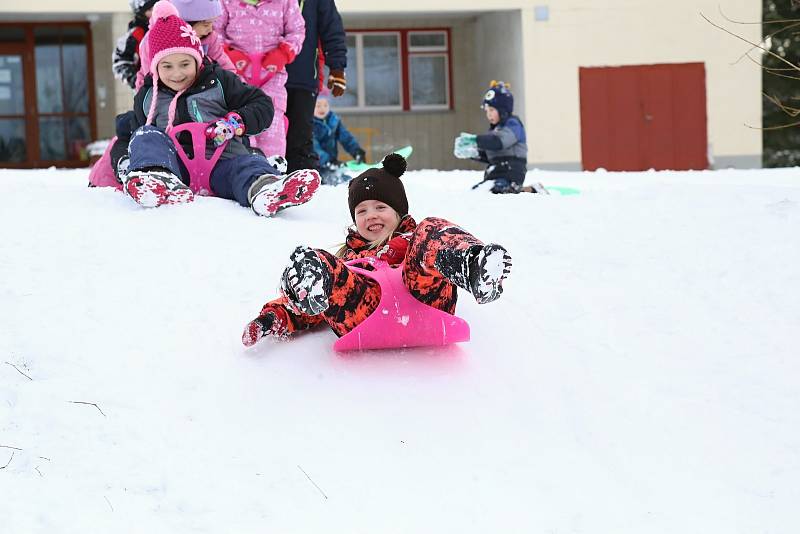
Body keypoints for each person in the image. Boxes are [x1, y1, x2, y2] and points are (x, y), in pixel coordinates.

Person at [241, 153, 512, 347]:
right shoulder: (348, 258)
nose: (371, 215)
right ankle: (303, 281)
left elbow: (427, 242)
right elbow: (314, 305)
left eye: (380, 207)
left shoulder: (415, 241)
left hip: (426, 302)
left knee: (431, 228)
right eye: (362, 210)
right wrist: (269, 319)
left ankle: (472, 265)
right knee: (322, 264)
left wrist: (407, 247)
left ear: (398, 212)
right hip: (363, 315)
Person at [110, 0, 320, 214]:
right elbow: (128, 135)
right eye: (167, 66)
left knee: (248, 165)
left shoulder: (217, 81)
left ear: (198, 59)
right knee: (145, 134)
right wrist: (125, 162)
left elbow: (262, 103)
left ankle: (265, 189)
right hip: (174, 168)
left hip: (223, 162)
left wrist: (236, 121)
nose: (177, 74)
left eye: (185, 64)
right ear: (155, 67)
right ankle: (155, 179)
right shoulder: (148, 96)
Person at [213, 0, 306, 157]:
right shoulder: (225, 2)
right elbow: (215, 31)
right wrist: (228, 53)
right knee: (240, 121)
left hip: (272, 75)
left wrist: (283, 53)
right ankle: (246, 169)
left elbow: (297, 30)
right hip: (236, 74)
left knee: (273, 125)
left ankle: (273, 172)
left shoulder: (285, 2)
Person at [284, 0, 348, 173]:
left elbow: (331, 27)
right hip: (262, 76)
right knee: (265, 135)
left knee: (300, 136)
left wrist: (337, 67)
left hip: (303, 77)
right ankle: (262, 179)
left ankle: (302, 180)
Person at [453, 80, 546, 194]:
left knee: (497, 191)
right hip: (495, 173)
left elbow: (498, 142)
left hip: (511, 173)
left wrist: (475, 140)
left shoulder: (513, 125)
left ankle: (533, 190)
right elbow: (492, 154)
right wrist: (473, 152)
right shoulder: (495, 130)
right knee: (477, 192)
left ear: (503, 110)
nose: (489, 114)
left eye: (492, 110)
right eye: (487, 111)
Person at [134, 0, 236, 91]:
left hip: (202, 94)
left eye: (213, 23)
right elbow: (149, 77)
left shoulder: (209, 38)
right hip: (164, 96)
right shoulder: (154, 42)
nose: (210, 29)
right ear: (185, 23)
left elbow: (225, 67)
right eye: (206, 24)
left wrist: (233, 87)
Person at [312, 91, 366, 185]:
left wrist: (356, 150)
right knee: (332, 183)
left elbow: (345, 137)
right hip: (315, 167)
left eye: (325, 105)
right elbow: (314, 147)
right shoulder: (310, 124)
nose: (322, 108)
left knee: (348, 181)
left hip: (332, 165)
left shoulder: (334, 120)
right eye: (318, 105)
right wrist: (328, 161)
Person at [113, 0, 158, 90]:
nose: (154, 12)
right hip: (147, 87)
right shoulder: (136, 34)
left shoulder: (170, 27)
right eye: (149, 9)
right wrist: (137, 81)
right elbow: (121, 62)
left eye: (156, 7)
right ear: (141, 13)